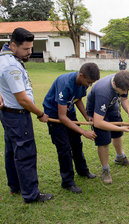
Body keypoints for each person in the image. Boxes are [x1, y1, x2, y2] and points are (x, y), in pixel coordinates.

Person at [0, 27, 53, 203]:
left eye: (31, 48)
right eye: (26, 49)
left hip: (9, 114)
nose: (30, 52)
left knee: (12, 150)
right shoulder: (11, 66)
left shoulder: (4, 58)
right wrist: (40, 114)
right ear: (13, 45)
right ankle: (31, 194)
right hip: (17, 115)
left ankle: (15, 186)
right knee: (25, 153)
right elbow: (22, 99)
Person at [43, 63, 100, 193]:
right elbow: (62, 117)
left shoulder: (82, 83)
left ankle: (82, 171)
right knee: (64, 148)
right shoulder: (65, 83)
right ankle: (67, 182)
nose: (89, 85)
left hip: (69, 111)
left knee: (76, 143)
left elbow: (77, 99)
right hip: (54, 115)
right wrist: (84, 131)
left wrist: (86, 116)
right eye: (89, 82)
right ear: (81, 75)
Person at [86, 70, 129, 184]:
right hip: (97, 112)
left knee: (117, 134)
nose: (125, 92)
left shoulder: (122, 82)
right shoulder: (103, 92)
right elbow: (98, 122)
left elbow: (124, 98)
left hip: (112, 106)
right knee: (103, 140)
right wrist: (121, 128)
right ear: (114, 85)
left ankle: (120, 157)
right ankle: (105, 169)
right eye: (123, 90)